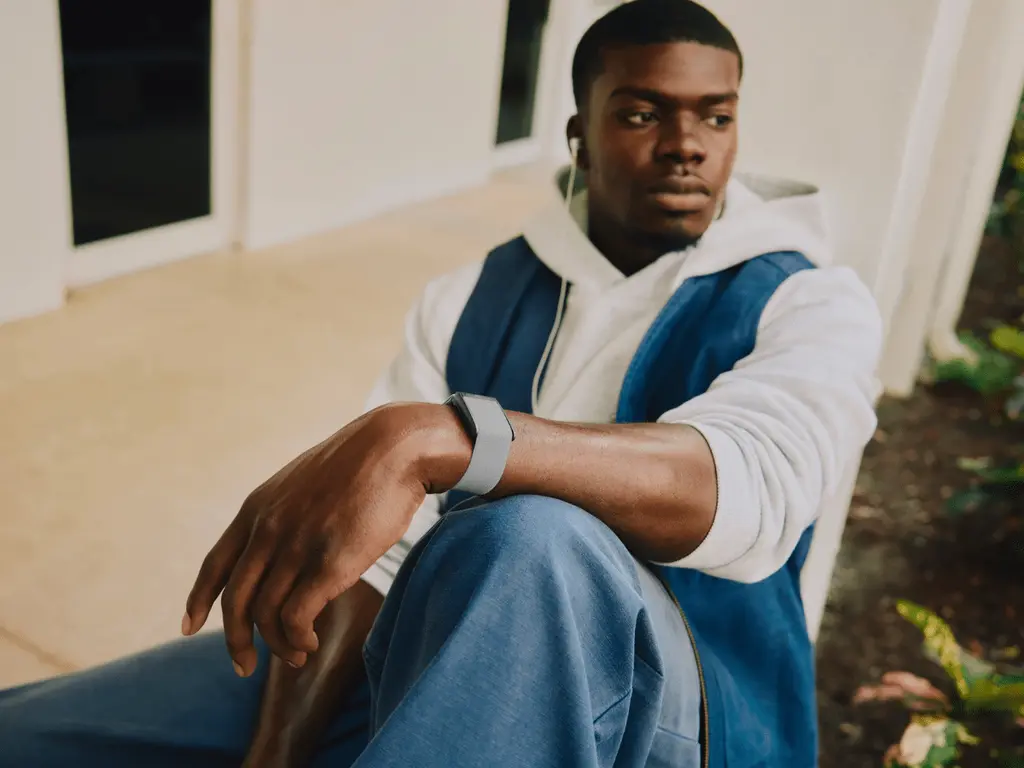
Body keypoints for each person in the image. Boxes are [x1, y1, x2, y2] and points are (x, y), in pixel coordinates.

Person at [0, 1, 882, 766]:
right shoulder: (469, 297)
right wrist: (275, 754)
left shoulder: (808, 299)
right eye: (643, 114)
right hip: (436, 643)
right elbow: (380, 561)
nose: (687, 147)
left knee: (532, 537)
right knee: (30, 731)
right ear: (579, 135)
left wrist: (440, 437)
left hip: (683, 709)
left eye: (716, 118)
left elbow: (756, 483)